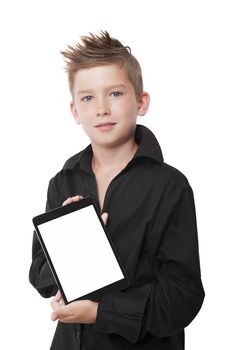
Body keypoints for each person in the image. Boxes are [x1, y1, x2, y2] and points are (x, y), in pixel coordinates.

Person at [29, 31, 205, 350]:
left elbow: (183, 295)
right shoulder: (62, 182)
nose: (101, 109)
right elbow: (40, 276)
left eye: (115, 94)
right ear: (74, 111)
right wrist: (71, 243)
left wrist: (101, 313)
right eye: (87, 98)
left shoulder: (169, 186)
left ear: (141, 102)